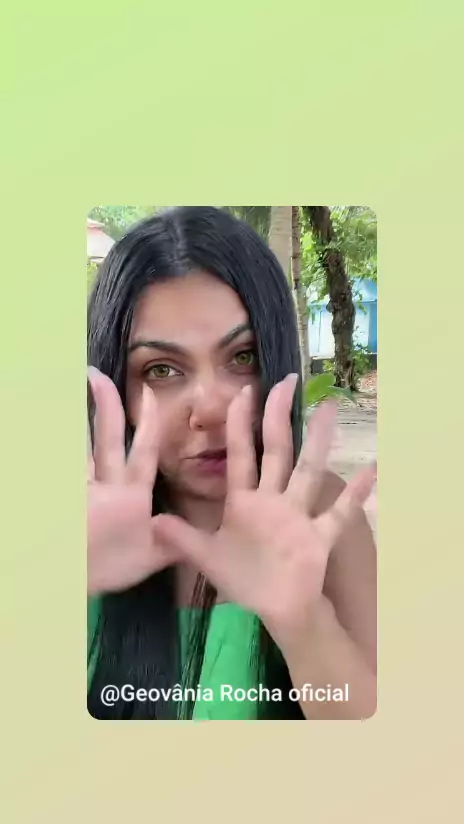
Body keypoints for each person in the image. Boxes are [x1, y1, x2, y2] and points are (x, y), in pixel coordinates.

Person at [87, 206, 377, 721]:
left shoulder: (323, 516)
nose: (211, 410)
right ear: (117, 388)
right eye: (161, 369)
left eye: (243, 357)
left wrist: (303, 624)